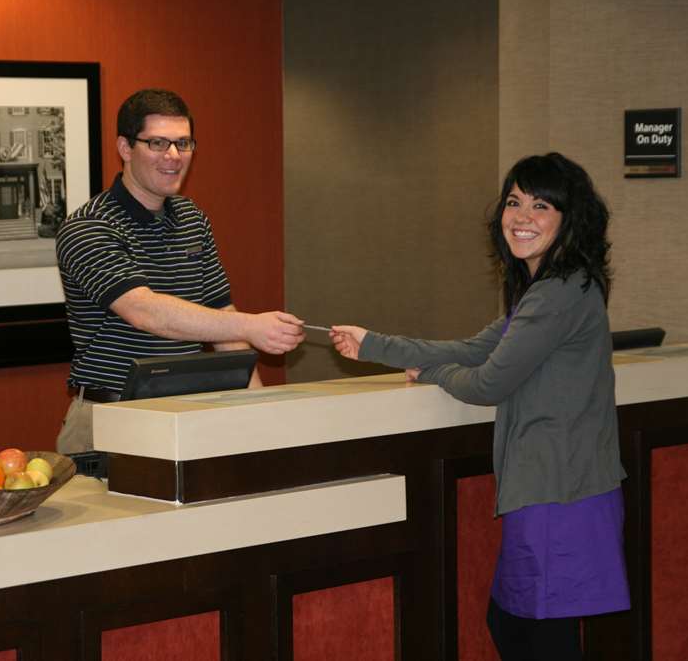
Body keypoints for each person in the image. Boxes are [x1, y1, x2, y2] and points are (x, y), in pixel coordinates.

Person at [330, 153, 628, 661]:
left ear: (568, 218)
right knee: (521, 626)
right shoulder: (547, 290)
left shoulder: (559, 291)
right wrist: (374, 344)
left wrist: (431, 374)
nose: (522, 217)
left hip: (560, 489)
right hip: (557, 485)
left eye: (540, 206)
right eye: (514, 202)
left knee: (535, 634)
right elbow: (473, 349)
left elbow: (486, 381)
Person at [55, 88, 305, 454]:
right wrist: (252, 325)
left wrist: (259, 410)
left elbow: (222, 318)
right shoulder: (88, 227)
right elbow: (145, 311)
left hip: (187, 416)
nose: (173, 157)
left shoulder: (193, 219)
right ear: (125, 148)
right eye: (158, 143)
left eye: (183, 143)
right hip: (110, 417)